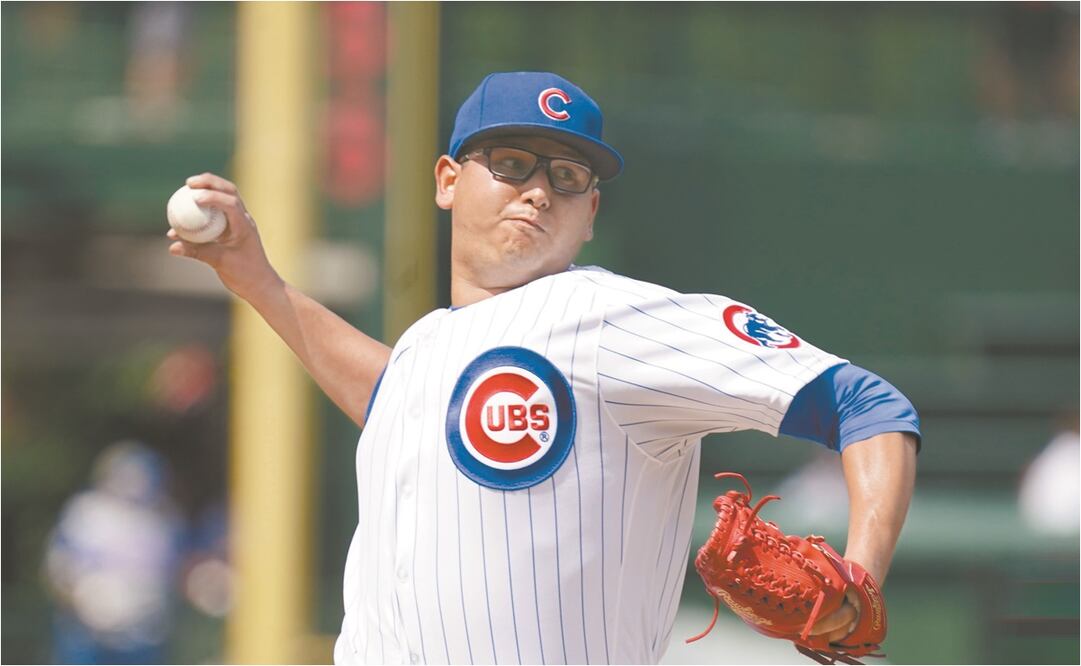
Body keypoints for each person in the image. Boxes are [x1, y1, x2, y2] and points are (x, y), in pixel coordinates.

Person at [168, 71, 920, 665]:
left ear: (589, 216)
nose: (537, 189)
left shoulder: (608, 317)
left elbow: (866, 404)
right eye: (513, 162)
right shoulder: (431, 347)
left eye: (567, 178)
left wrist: (860, 579)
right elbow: (399, 399)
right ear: (446, 180)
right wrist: (256, 279)